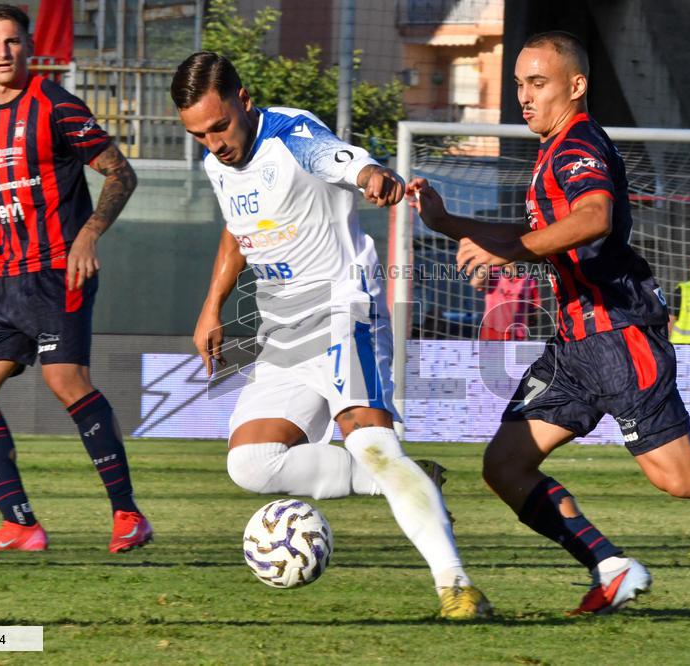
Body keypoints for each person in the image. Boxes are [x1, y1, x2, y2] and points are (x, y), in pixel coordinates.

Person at [407, 31, 690, 614]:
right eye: (519, 84)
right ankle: (610, 566)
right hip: (577, 343)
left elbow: (594, 217)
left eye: (538, 83)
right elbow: (536, 236)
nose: (525, 97)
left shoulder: (578, 143)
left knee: (680, 476)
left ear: (576, 86)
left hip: (620, 333)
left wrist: (513, 249)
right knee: (505, 465)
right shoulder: (552, 151)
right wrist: (450, 222)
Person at [170, 51, 492, 620]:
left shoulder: (291, 131)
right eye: (199, 134)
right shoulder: (217, 165)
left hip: (344, 312)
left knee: (371, 445)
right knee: (251, 463)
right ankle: (400, 479)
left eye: (219, 126)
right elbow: (236, 231)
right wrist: (210, 306)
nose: (213, 142)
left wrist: (371, 176)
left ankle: (456, 586)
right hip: (281, 332)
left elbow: (336, 158)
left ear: (244, 100)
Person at [0, 4, 151, 553]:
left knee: (64, 381)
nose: (3, 52)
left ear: (28, 48)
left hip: (57, 272)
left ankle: (128, 516)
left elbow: (120, 170)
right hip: (5, 279)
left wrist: (89, 234)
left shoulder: (54, 104)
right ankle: (21, 524)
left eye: (13, 42)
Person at [472, 264, 542, 340]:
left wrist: (532, 317)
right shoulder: (492, 271)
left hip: (516, 335)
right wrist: (488, 262)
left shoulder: (529, 280)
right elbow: (475, 283)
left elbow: (534, 312)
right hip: (491, 331)